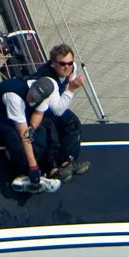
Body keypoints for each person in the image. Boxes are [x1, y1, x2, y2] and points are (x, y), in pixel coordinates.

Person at [32, 45, 87, 180]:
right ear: (53, 64)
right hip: (40, 110)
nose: (67, 67)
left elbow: (71, 73)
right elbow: (57, 111)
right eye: (62, 64)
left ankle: (67, 161)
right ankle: (51, 169)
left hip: (54, 105)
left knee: (73, 122)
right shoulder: (47, 78)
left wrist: (70, 82)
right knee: (51, 134)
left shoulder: (71, 67)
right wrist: (71, 89)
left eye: (69, 63)